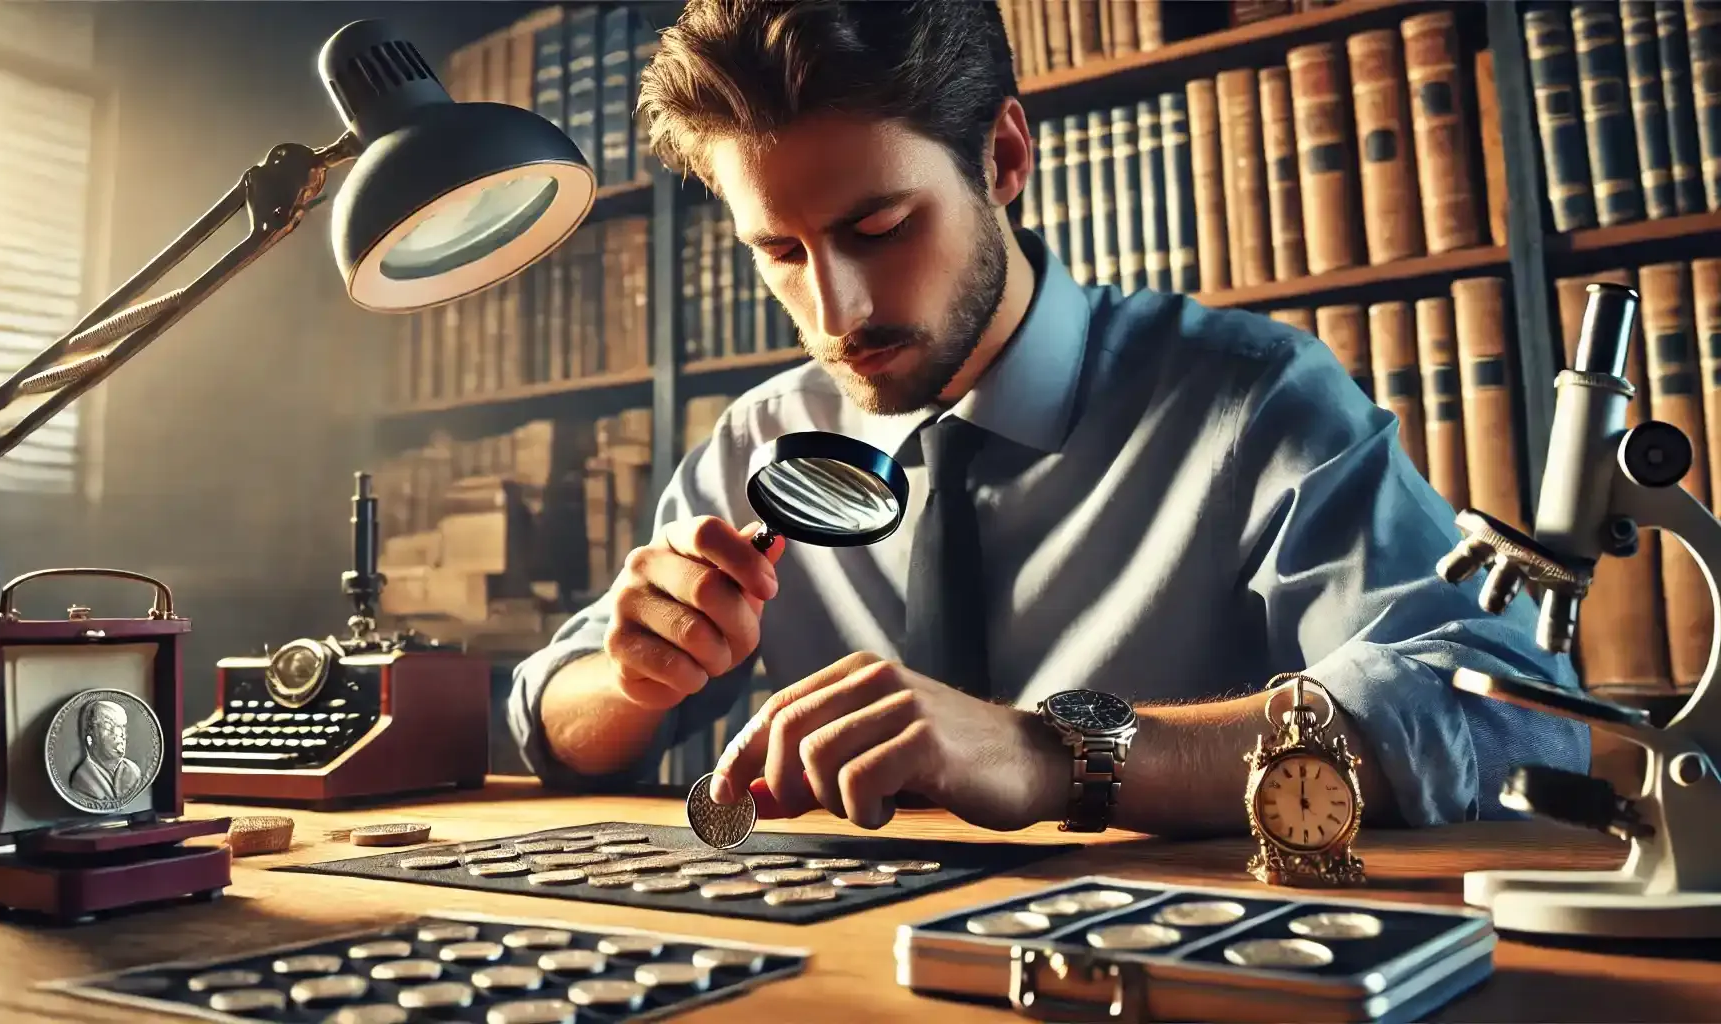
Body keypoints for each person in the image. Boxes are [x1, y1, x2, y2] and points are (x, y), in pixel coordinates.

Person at [510, 0, 1586, 837]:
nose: (835, 313)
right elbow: (547, 715)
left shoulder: (1253, 396)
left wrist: (1056, 752)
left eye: (879, 225)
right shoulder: (757, 440)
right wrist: (632, 675)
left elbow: (1515, 714)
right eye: (779, 254)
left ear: (1004, 160)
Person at [70, 698, 142, 804]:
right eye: (108, 726)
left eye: (121, 727)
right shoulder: (82, 779)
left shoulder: (133, 771)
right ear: (91, 735)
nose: (119, 733)